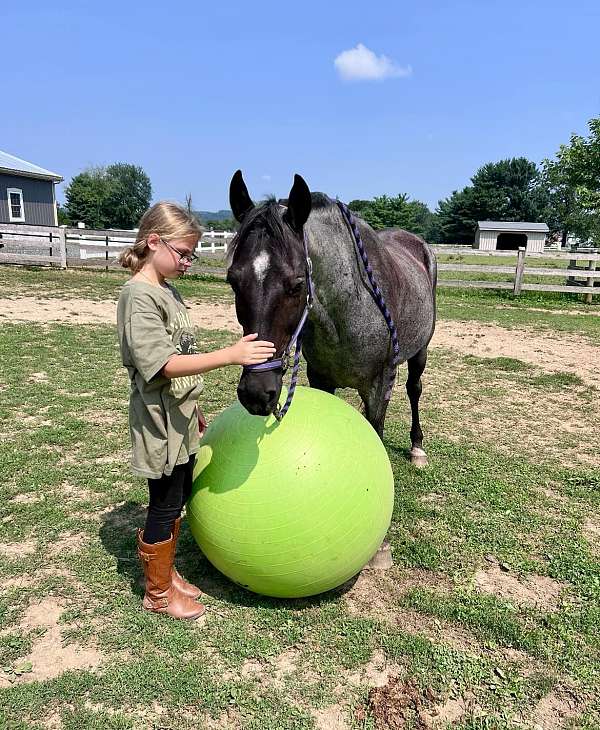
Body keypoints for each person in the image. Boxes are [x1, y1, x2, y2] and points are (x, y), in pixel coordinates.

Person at [117, 202, 275, 620]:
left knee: (181, 494)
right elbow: (163, 364)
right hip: (159, 419)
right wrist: (231, 355)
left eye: (193, 255)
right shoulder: (138, 296)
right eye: (183, 253)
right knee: (165, 503)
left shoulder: (168, 288)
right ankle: (157, 593)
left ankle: (166, 574)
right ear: (154, 242)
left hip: (182, 413)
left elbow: (179, 353)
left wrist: (196, 404)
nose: (188, 262)